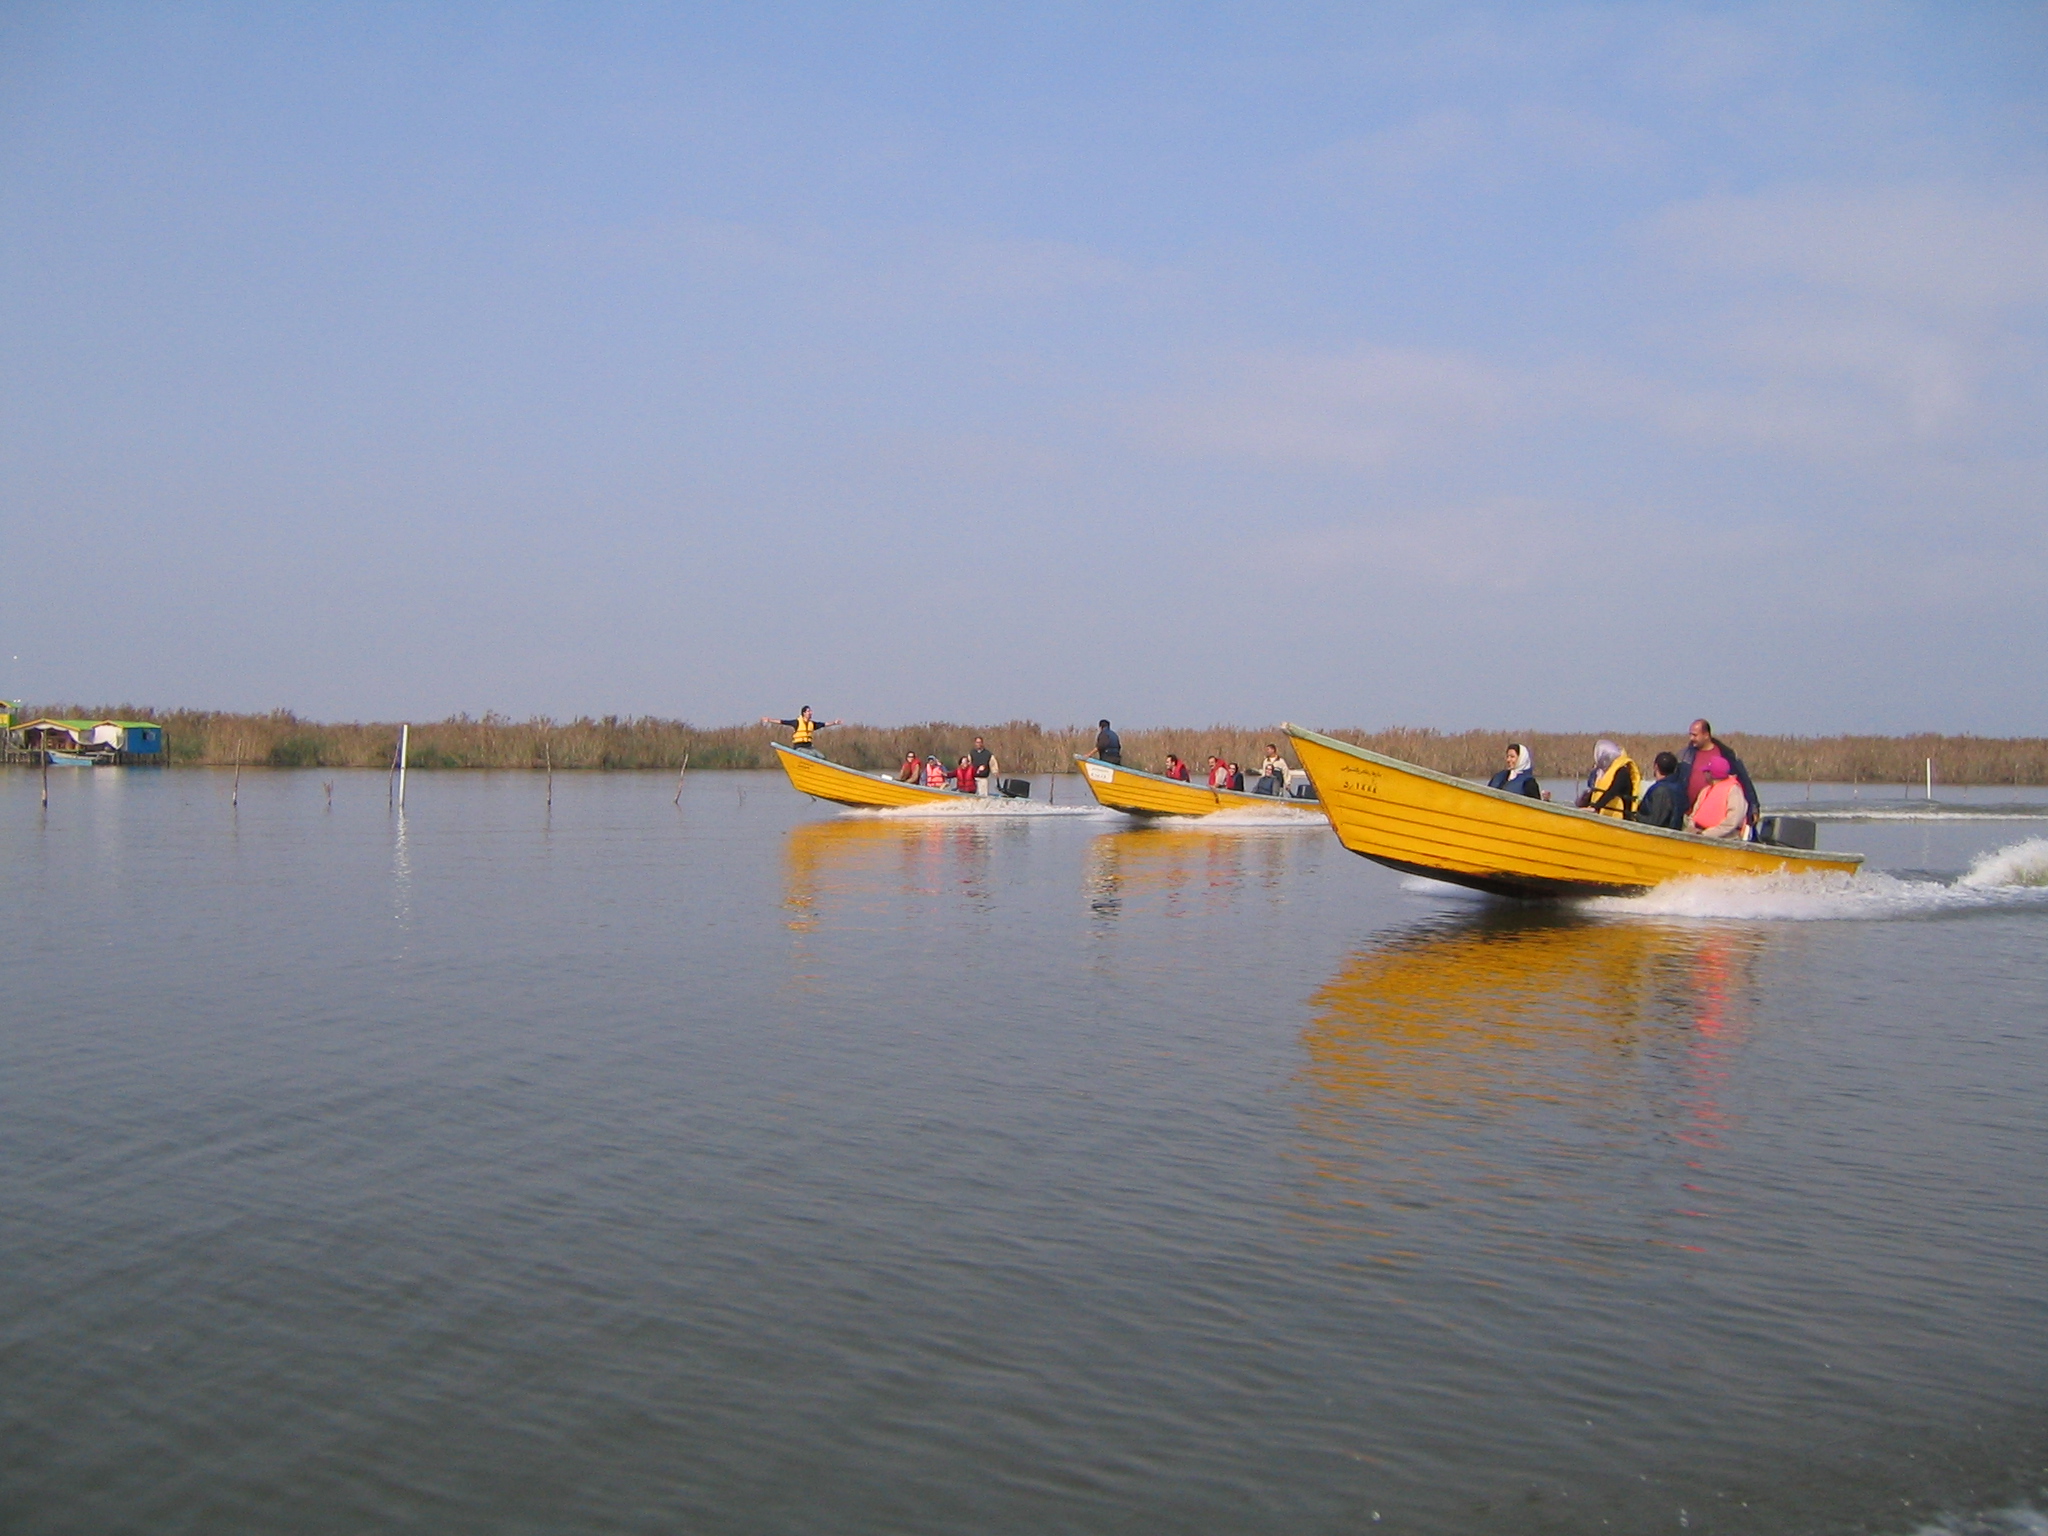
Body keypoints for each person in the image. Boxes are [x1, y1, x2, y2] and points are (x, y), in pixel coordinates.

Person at [1677, 718, 1760, 831]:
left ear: (1706, 735)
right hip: (1690, 815)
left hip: (1716, 820)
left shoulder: (1726, 755)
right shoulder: (1685, 755)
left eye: (1695, 735)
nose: (1691, 738)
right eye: (1690, 734)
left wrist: (1753, 807)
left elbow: (1744, 781)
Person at [1576, 738, 1639, 819]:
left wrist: (1596, 807)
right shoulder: (1604, 773)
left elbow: (1612, 791)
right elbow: (1598, 791)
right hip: (1605, 814)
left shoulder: (1623, 772)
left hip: (1622, 817)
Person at [1690, 757, 1750, 838]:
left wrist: (1706, 834)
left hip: (1724, 839)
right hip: (1698, 834)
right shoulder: (1705, 791)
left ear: (1711, 773)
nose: (1704, 774)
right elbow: (1693, 815)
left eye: (1706, 771)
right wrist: (1692, 828)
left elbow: (1732, 821)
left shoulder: (1734, 791)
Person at [1633, 751, 1688, 830]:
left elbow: (1655, 822)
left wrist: (1634, 816)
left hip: (1661, 838)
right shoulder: (1680, 788)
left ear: (1656, 766)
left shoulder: (1661, 790)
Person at [760, 705, 843, 750]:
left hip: (809, 746)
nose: (811, 713)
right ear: (804, 713)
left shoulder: (812, 724)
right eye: (808, 711)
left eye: (811, 711)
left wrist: (834, 723)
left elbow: (824, 724)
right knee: (807, 755)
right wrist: (769, 720)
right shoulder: (797, 722)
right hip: (799, 747)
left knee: (820, 757)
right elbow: (783, 722)